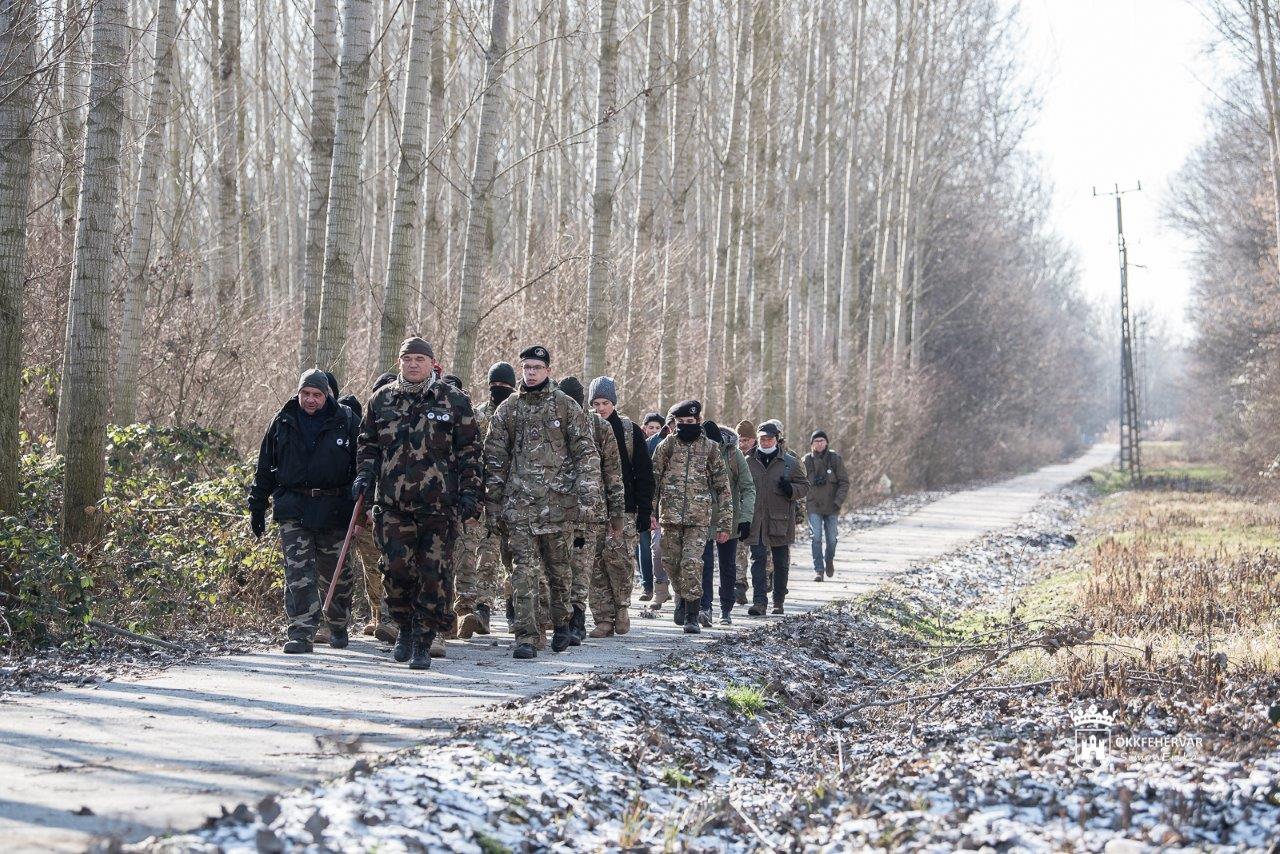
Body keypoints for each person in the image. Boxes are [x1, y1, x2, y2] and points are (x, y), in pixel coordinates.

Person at [353, 337, 482, 670]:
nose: (413, 364)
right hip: (393, 505)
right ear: (399, 363)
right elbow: (368, 447)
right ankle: (404, 627)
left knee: (434, 575)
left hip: (439, 507)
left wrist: (471, 493)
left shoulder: (453, 401)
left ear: (431, 363)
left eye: (419, 359)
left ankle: (424, 640)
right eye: (407, 358)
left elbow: (470, 452)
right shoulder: (381, 401)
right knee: (395, 572)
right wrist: (364, 479)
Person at [484, 346, 603, 659]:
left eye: (537, 367)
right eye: (526, 367)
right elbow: (495, 458)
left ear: (548, 370)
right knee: (523, 571)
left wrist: (586, 494)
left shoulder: (565, 407)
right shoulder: (509, 409)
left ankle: (562, 622)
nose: (531, 372)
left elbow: (585, 453)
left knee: (558, 571)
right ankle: (526, 636)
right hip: (519, 505)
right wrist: (493, 503)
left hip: (557, 505)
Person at [247, 369, 362, 654]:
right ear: (298, 393)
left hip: (334, 508)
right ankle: (301, 630)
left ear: (327, 395)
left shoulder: (346, 421)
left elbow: (365, 464)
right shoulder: (282, 421)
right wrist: (257, 507)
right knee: (298, 573)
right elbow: (264, 469)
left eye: (317, 395)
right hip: (294, 507)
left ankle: (337, 622)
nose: (311, 400)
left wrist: (363, 505)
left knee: (336, 572)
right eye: (306, 394)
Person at [651, 400, 732, 634]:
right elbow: (654, 481)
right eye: (681, 422)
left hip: (699, 518)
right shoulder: (666, 446)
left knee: (692, 563)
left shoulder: (710, 448)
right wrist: (650, 512)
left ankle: (692, 614)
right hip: (670, 516)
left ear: (698, 421)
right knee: (672, 563)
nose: (686, 425)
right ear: (675, 424)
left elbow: (722, 487)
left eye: (690, 422)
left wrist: (725, 522)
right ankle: (681, 598)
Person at [585, 377, 655, 638]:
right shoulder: (585, 427)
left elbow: (644, 473)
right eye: (596, 403)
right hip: (591, 509)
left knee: (620, 561)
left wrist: (644, 510)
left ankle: (622, 607)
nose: (600, 408)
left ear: (613, 403)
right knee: (594, 564)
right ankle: (602, 617)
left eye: (605, 403)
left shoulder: (629, 430)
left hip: (624, 508)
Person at [558, 376, 625, 644]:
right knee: (559, 566)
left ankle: (576, 619)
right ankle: (559, 618)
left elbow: (613, 472)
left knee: (582, 567)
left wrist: (617, 513)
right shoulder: (553, 423)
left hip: (590, 511)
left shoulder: (599, 427)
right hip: (555, 509)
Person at [454, 362, 517, 640]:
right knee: (474, 554)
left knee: (508, 559)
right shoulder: (476, 415)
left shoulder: (517, 414)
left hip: (512, 498)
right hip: (479, 497)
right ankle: (474, 610)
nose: (498, 390)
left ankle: (514, 610)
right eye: (494, 385)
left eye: (503, 386)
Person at [745, 421, 809, 616]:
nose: (765, 442)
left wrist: (791, 489)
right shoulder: (748, 461)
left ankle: (778, 602)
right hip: (755, 520)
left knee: (781, 562)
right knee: (757, 560)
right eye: (762, 439)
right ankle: (759, 602)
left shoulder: (790, 462)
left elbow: (805, 486)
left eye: (769, 439)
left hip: (780, 519)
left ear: (777, 439)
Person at [699, 421, 755, 626]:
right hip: (701, 517)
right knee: (702, 564)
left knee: (727, 565)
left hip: (728, 516)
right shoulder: (697, 451)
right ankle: (705, 607)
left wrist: (745, 518)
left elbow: (748, 487)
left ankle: (726, 608)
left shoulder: (733, 454)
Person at [803, 430, 850, 581]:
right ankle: (819, 570)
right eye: (816, 441)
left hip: (832, 506)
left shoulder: (835, 459)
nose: (819, 443)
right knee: (815, 537)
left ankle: (829, 559)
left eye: (822, 440)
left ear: (827, 442)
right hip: (813, 506)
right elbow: (799, 483)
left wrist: (838, 501)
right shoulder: (806, 461)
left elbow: (844, 482)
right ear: (811, 444)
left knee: (832, 539)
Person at [636, 412, 665, 602]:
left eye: (657, 427)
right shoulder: (641, 446)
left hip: (663, 504)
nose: (653, 431)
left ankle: (661, 585)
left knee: (659, 547)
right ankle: (647, 585)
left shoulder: (665, 446)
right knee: (644, 545)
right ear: (644, 428)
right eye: (650, 427)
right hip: (644, 501)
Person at [733, 420, 757, 606]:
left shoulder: (760, 456)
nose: (743, 444)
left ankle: (765, 583)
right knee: (740, 549)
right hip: (739, 511)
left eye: (747, 440)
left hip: (761, 511)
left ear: (754, 440)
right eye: (740, 439)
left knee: (762, 553)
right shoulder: (732, 456)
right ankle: (740, 585)